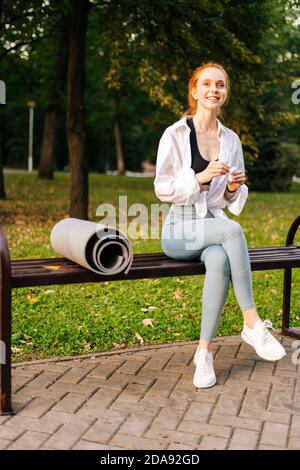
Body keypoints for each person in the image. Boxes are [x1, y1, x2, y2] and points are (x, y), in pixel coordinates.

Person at [154, 62, 286, 390]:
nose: (214, 89)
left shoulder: (231, 140)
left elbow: (226, 201)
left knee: (218, 260)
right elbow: (161, 187)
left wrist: (231, 187)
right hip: (179, 230)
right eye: (208, 84)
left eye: (221, 85)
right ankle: (252, 321)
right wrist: (200, 177)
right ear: (195, 90)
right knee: (233, 232)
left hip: (211, 224)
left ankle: (203, 352)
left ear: (225, 94)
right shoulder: (175, 134)